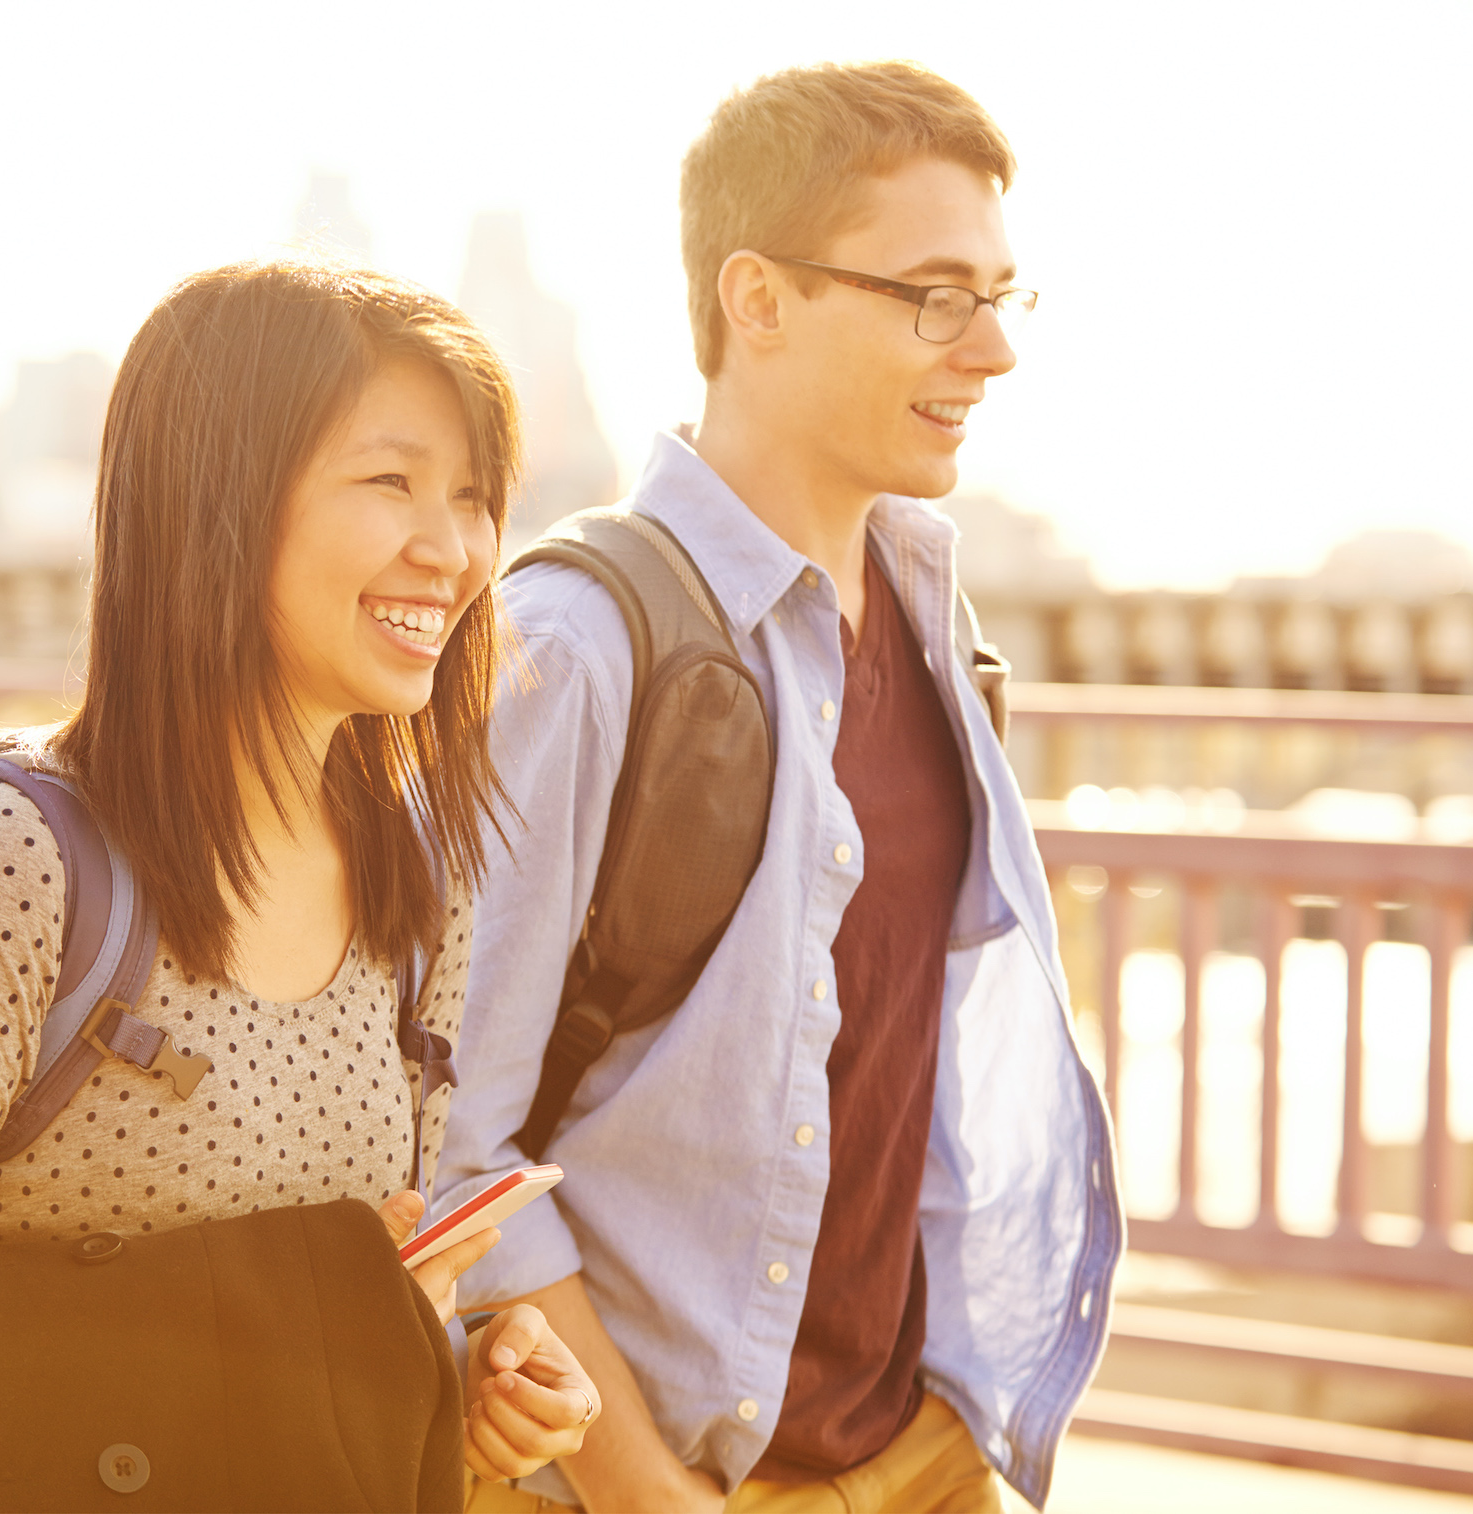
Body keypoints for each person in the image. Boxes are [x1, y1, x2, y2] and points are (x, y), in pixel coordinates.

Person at [434, 60, 1122, 1514]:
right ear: (757, 300)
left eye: (1004, 294)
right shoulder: (582, 645)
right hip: (656, 1472)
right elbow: (453, 1144)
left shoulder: (939, 623)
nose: (990, 348)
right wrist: (646, 1495)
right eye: (935, 294)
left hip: (918, 1445)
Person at [0, 259, 600, 1499]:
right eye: (389, 480)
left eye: (472, 495)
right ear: (215, 503)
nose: (450, 549)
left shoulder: (415, 890)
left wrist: (459, 1380)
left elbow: (346, 1327)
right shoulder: (5, 864)